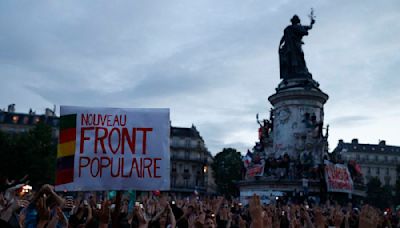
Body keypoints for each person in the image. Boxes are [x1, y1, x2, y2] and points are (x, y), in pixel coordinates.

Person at [279, 13, 315, 79]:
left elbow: (308, 28)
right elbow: (284, 37)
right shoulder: (290, 28)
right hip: (292, 46)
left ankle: (299, 70)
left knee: (299, 57)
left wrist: (311, 23)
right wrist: (280, 45)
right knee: (295, 57)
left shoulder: (293, 28)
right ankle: (295, 71)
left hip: (295, 45)